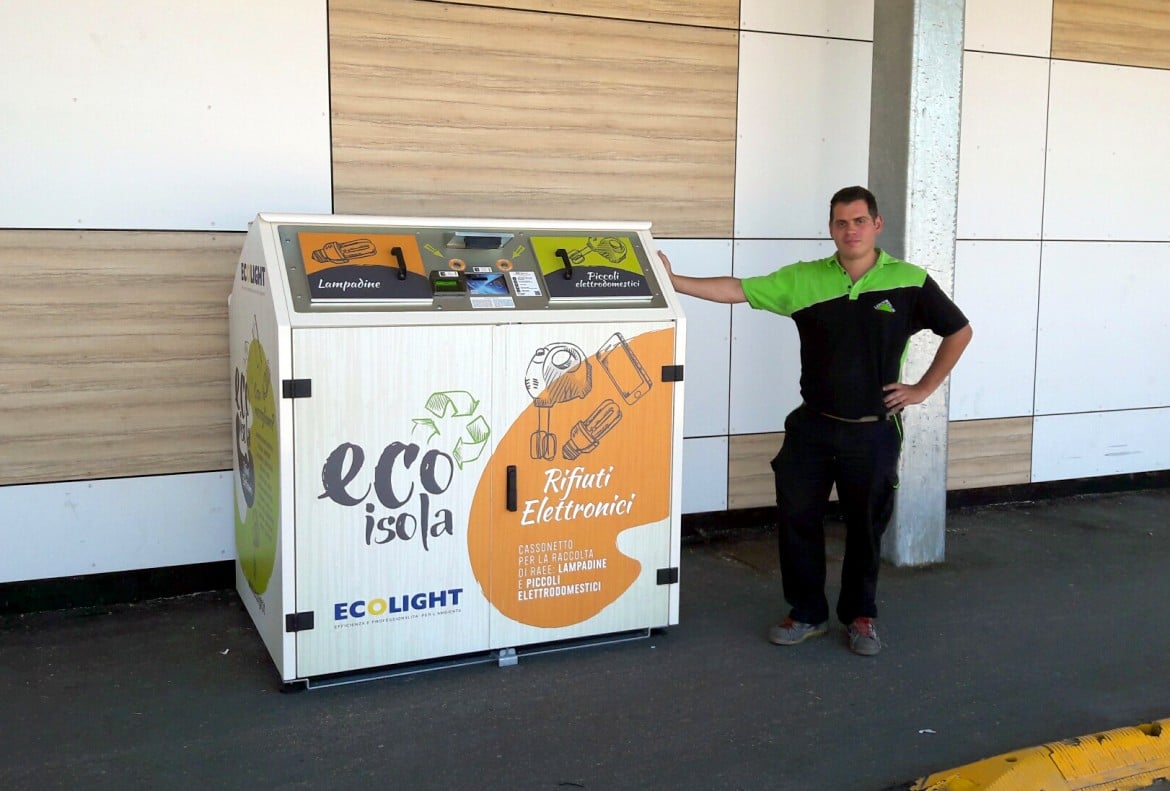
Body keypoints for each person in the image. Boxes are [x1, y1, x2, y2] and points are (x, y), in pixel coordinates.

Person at [659, 186, 972, 656]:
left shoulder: (910, 281)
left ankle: (860, 616)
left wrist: (923, 388)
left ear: (877, 224)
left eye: (859, 221)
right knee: (797, 520)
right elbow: (738, 289)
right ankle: (806, 613)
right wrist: (674, 281)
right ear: (831, 229)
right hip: (813, 427)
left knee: (865, 528)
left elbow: (959, 330)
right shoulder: (805, 279)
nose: (851, 230)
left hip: (872, 430)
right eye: (841, 223)